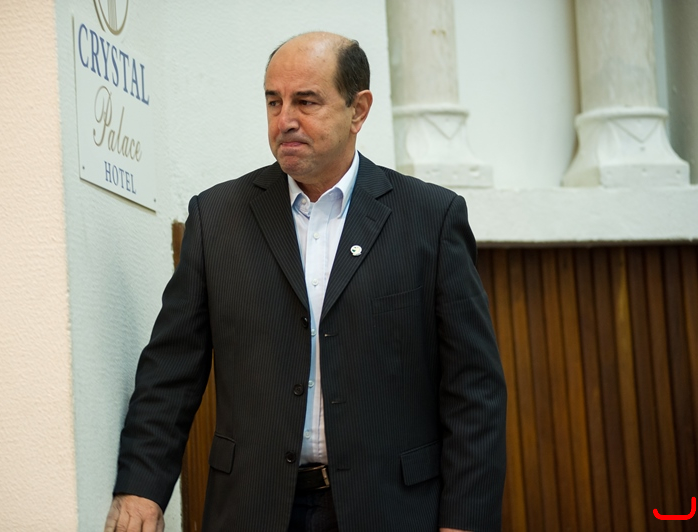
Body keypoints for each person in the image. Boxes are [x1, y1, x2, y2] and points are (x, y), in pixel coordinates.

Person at [105, 31, 506, 532]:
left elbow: (474, 388)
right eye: (274, 101)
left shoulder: (429, 217)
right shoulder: (217, 218)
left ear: (358, 110)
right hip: (254, 507)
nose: (285, 120)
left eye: (306, 101)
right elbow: (172, 371)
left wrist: (465, 520)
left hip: (391, 508)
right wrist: (142, 487)